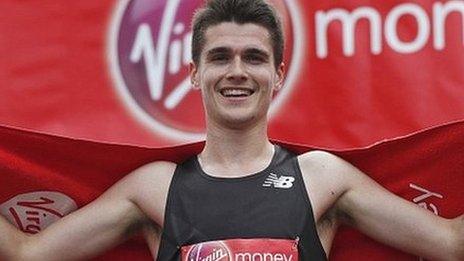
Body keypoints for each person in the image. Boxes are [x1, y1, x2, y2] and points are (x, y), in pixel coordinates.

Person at [1, 0, 463, 260]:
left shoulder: (322, 178)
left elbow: (450, 244)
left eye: (254, 58)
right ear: (194, 73)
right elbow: (24, 254)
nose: (237, 71)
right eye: (220, 57)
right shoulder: (154, 188)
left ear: (278, 74)